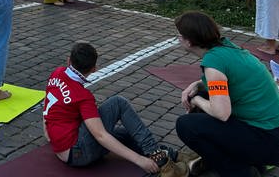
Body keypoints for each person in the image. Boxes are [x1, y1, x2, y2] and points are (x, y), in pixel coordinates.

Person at [175, 11, 279, 177]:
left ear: (189, 42)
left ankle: (239, 171)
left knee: (185, 125)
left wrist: (195, 99)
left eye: (179, 36)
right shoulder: (227, 48)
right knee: (204, 95)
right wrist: (198, 84)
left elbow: (221, 113)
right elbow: (232, 78)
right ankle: (242, 160)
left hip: (270, 141)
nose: (178, 39)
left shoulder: (213, 62)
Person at [43, 42, 184, 175]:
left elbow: (50, 101)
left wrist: (46, 127)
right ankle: (157, 154)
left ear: (69, 61)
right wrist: (138, 160)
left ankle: (168, 153)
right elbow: (100, 136)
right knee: (118, 103)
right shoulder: (83, 96)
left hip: (61, 148)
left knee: (125, 134)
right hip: (78, 153)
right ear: (94, 69)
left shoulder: (57, 73)